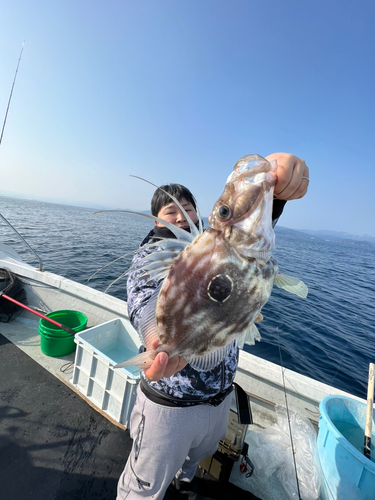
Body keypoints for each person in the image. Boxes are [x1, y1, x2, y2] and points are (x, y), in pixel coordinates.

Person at [117, 153, 309, 499]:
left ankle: (184, 483)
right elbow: (141, 296)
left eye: (188, 208)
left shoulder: (212, 245)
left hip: (218, 399)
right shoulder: (150, 254)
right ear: (156, 218)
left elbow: (247, 233)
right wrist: (156, 338)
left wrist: (277, 195)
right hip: (170, 405)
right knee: (142, 488)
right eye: (170, 210)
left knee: (190, 466)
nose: (181, 215)